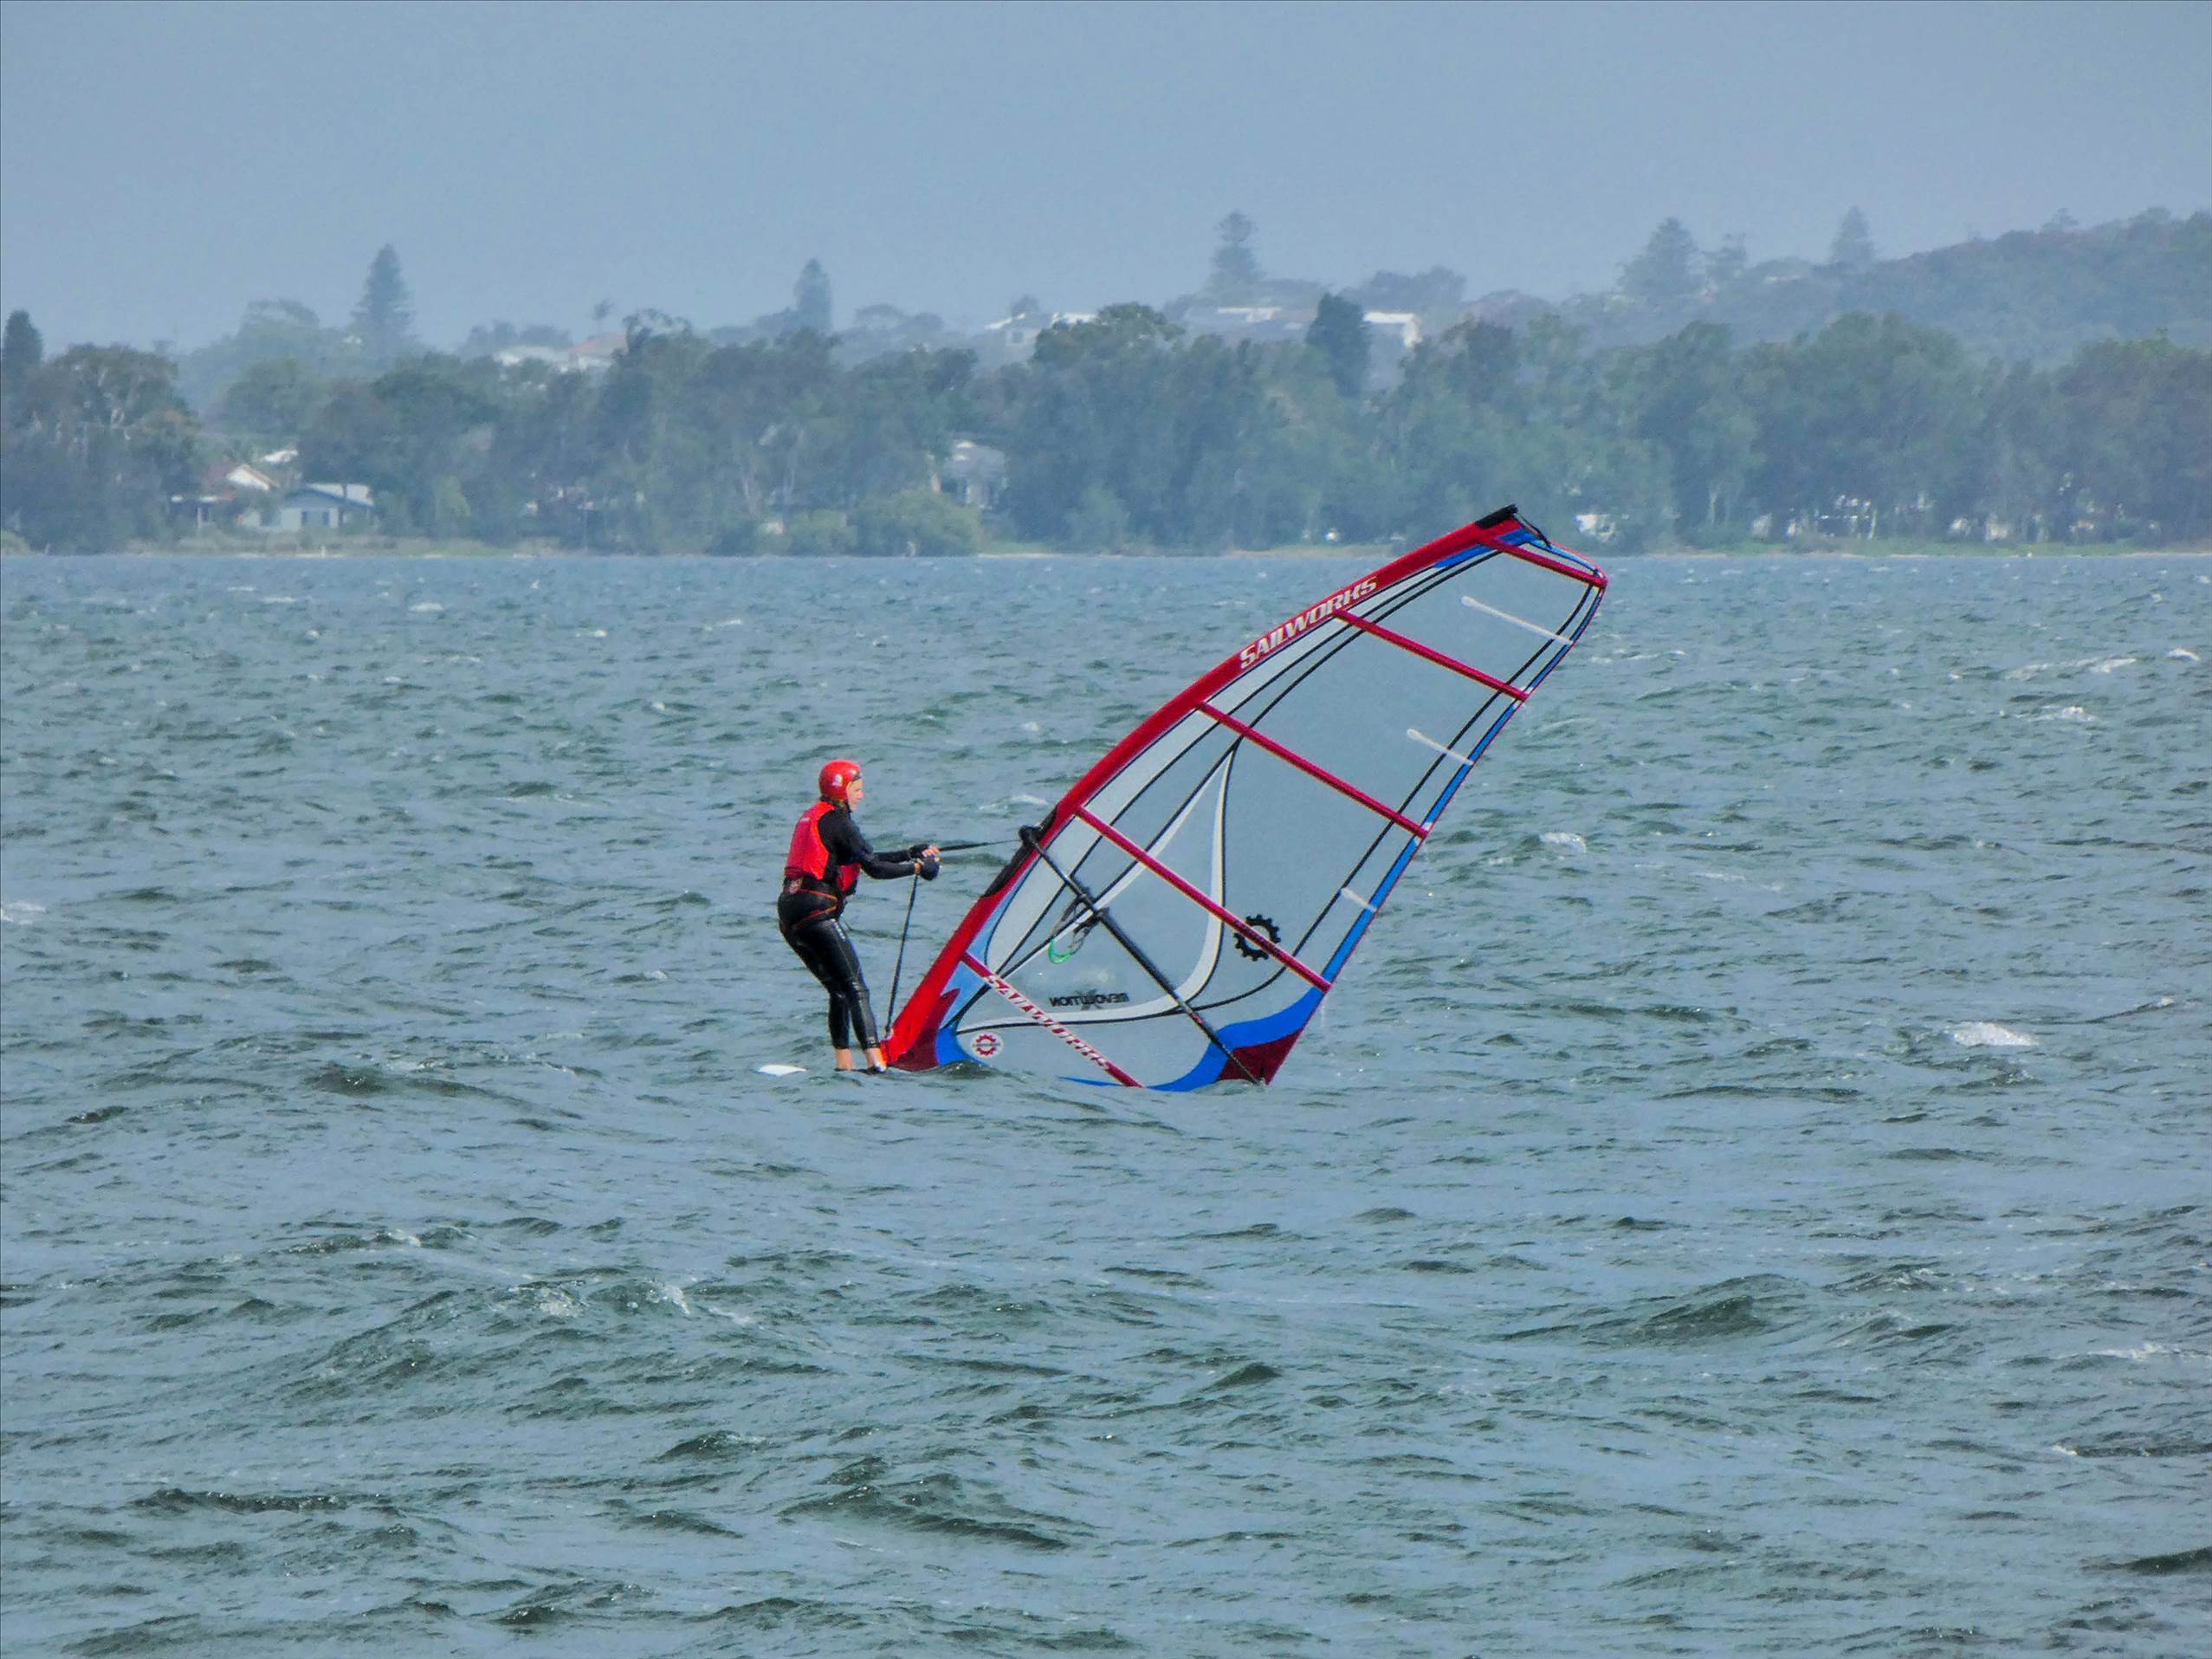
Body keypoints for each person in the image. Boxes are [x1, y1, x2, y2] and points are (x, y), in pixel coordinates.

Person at [779, 759, 939, 1073]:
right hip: (816, 912)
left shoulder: (818, 818)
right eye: (858, 790)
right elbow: (875, 869)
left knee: (838, 990)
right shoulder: (839, 822)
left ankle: (844, 1066)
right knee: (856, 987)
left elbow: (866, 859)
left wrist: (910, 854)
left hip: (791, 913)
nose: (862, 796)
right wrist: (919, 868)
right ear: (842, 791)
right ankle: (877, 1063)